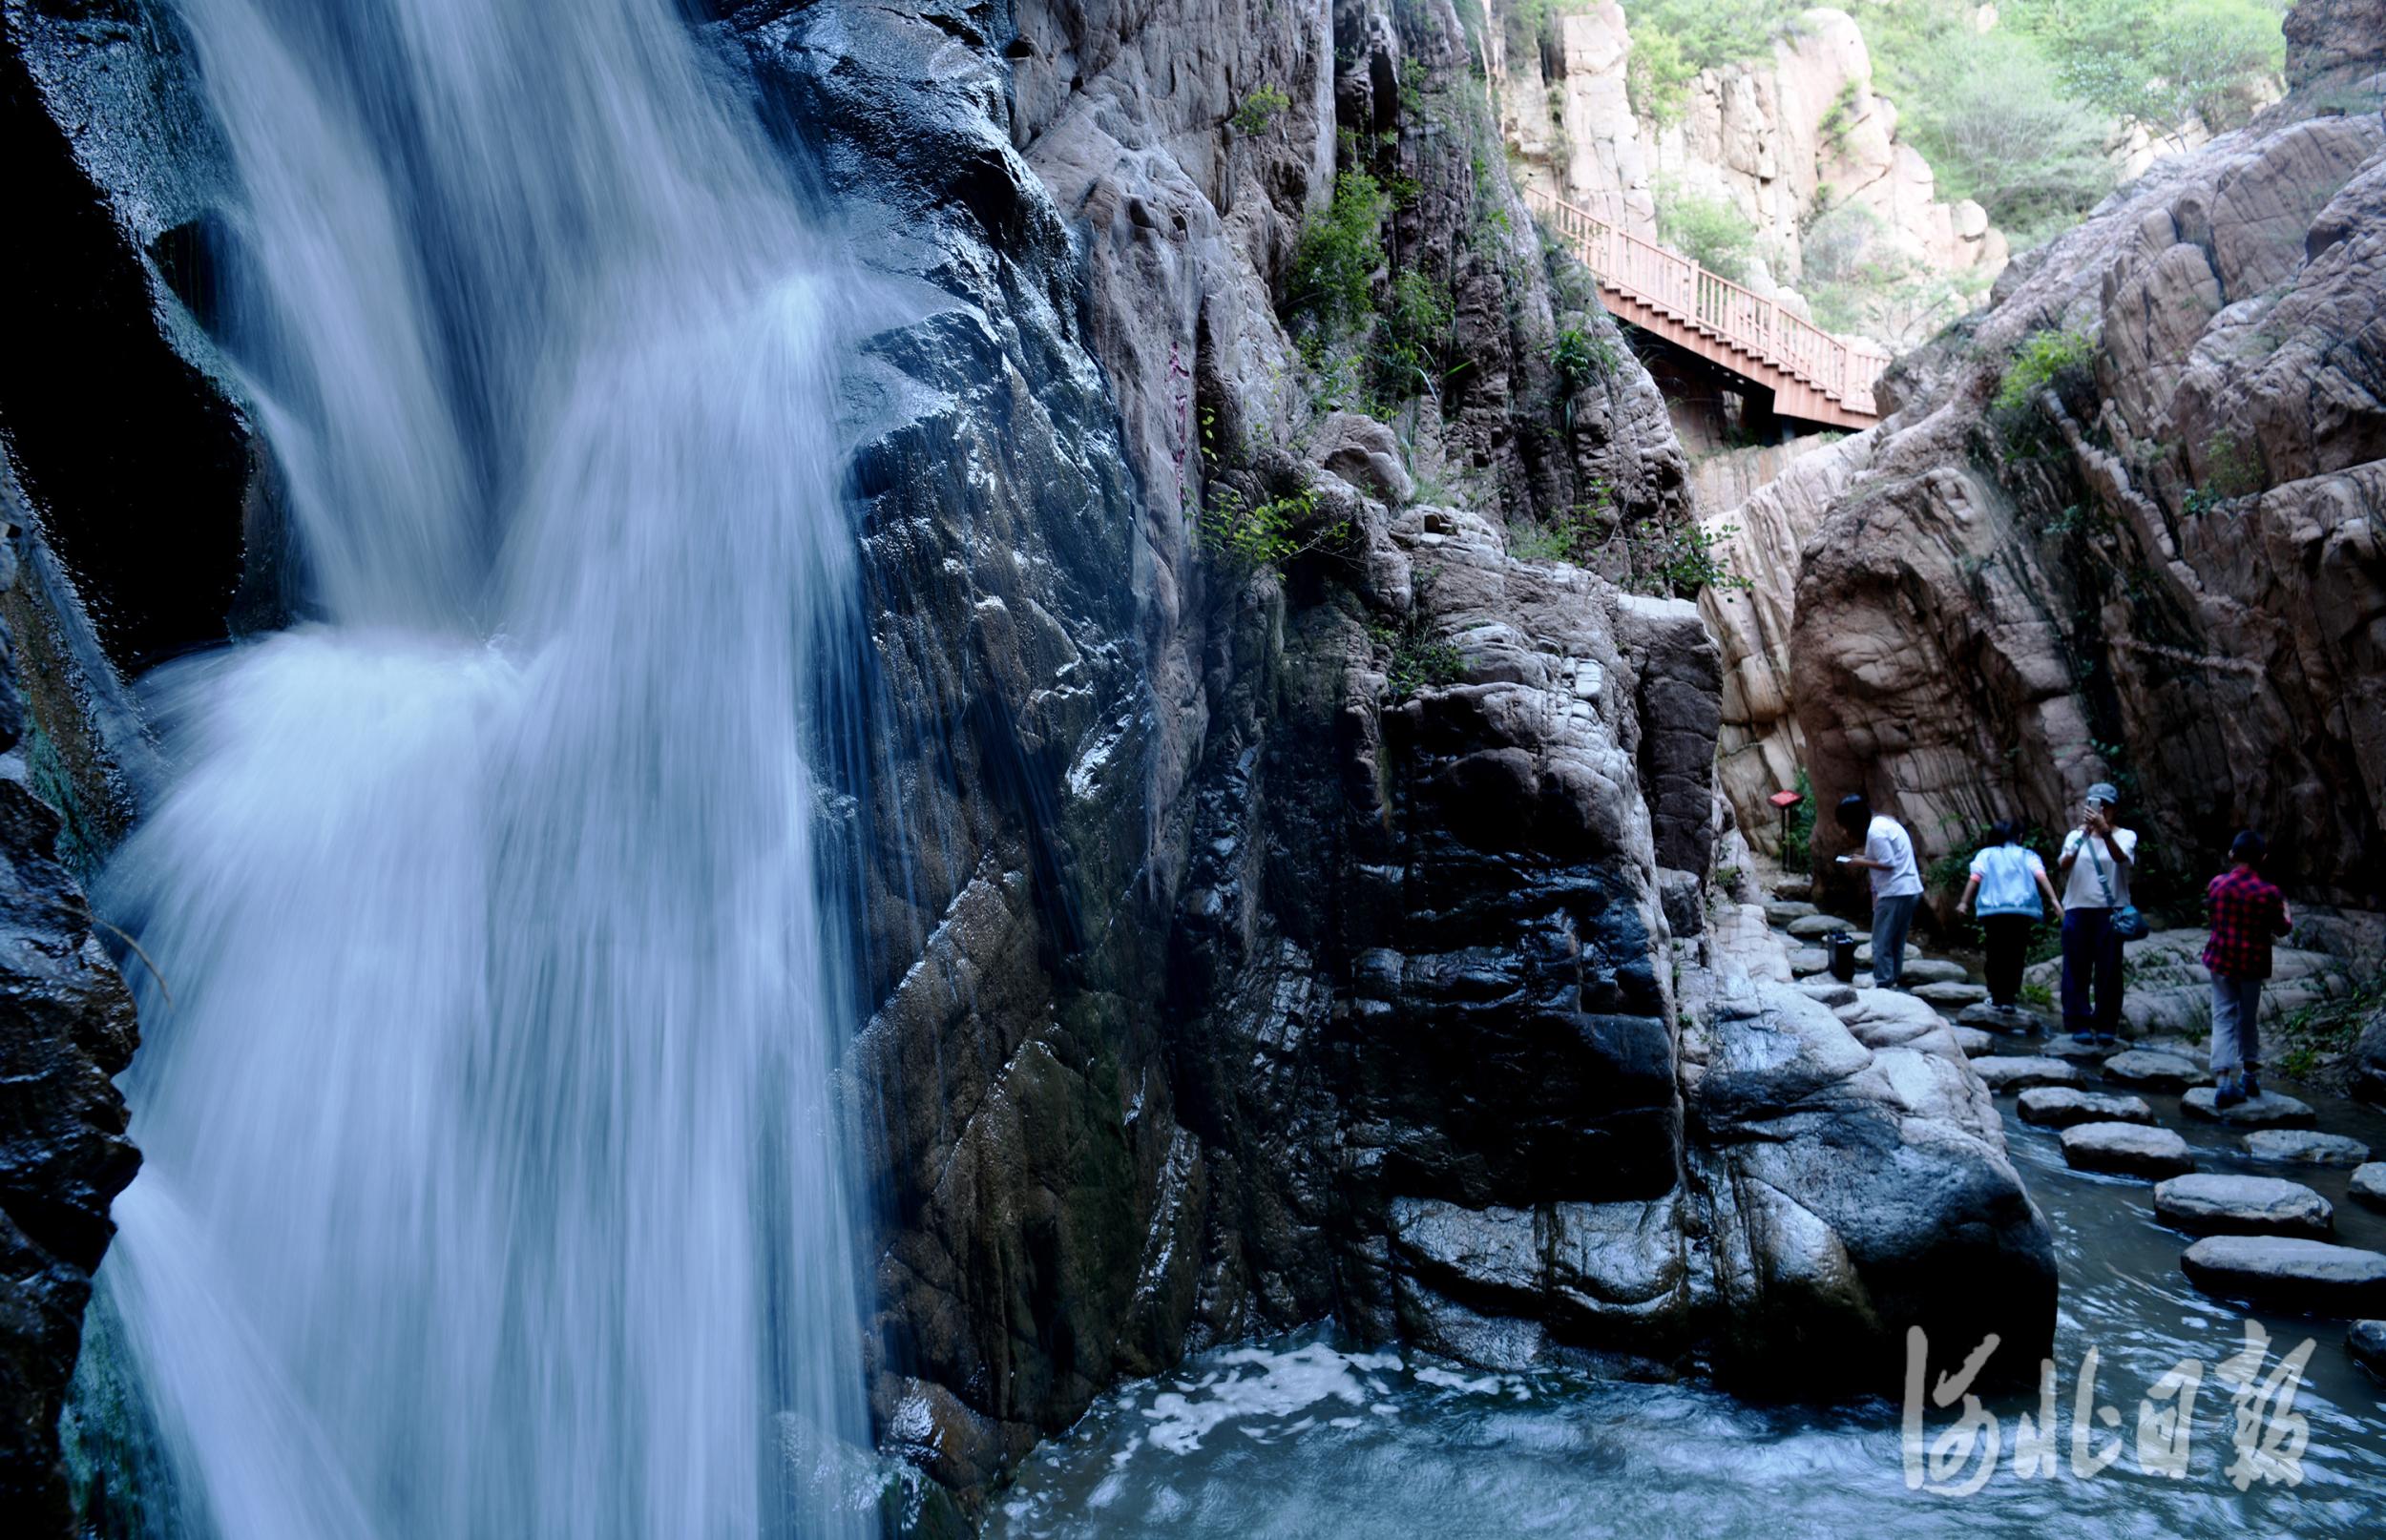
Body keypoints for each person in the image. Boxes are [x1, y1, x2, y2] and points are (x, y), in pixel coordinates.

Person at [2203, 830, 2292, 1109]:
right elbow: (2282, 928)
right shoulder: (2269, 893)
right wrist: (2286, 909)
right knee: (2247, 1018)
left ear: (2232, 855)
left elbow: (2213, 916)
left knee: (2222, 1017)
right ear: (2263, 858)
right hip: (2252, 965)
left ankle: (2223, 1081)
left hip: (2220, 960)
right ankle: (2250, 1074)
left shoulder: (2217, 884)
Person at [2056, 782, 2137, 1044]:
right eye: (2095, 805)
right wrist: (2083, 836)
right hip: (2078, 908)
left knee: (2109, 970)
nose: (2100, 810)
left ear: (2114, 809)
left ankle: (2106, 1024)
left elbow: (2120, 858)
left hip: (2110, 911)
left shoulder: (2126, 836)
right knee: (2076, 968)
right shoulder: (2074, 836)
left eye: (2106, 806)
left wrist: (2104, 832)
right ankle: (2078, 1022)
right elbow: (2063, 864)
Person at [1955, 820, 2062, 1015]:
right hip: (2021, 911)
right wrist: (2054, 900)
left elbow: (1975, 878)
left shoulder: (1986, 855)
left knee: (1996, 952)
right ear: (2018, 837)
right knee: (2016, 953)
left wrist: (1964, 901)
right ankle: (2009, 1000)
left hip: (1993, 911)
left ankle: (1996, 997)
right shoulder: (2027, 855)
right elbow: (2040, 875)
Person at [1834, 793, 1923, 989]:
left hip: (1895, 892)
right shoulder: (1884, 823)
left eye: (1845, 824)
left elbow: (1888, 863)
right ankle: (1893, 980)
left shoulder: (1875, 832)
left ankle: (1883, 983)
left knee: (1881, 942)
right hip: (1910, 890)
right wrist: (1863, 857)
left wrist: (1858, 862)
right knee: (1896, 942)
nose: (1845, 830)